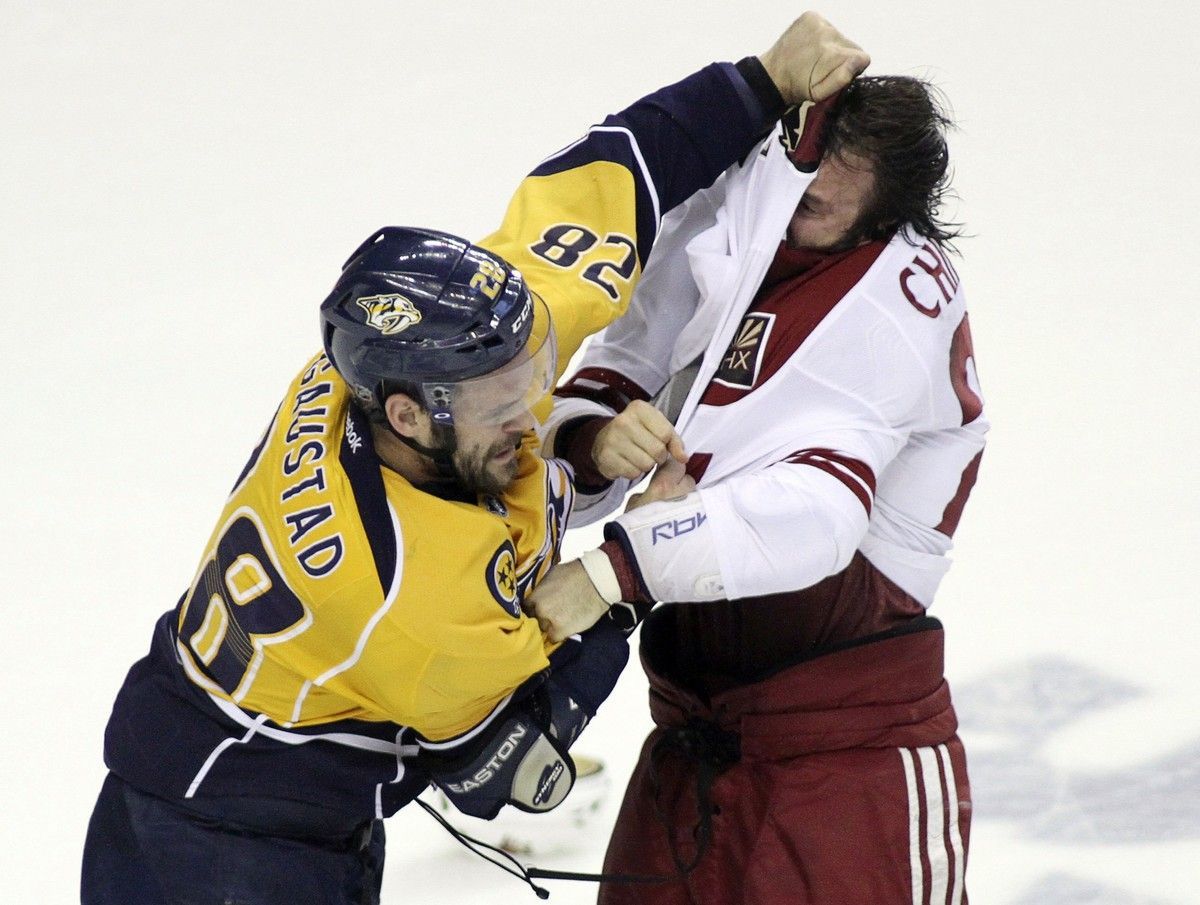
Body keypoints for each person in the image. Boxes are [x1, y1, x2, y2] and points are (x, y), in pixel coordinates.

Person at [79, 12, 870, 905]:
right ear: (410, 413)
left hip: (255, 769)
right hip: (226, 853)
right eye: (505, 397)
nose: (532, 405)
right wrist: (630, 572)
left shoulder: (435, 351)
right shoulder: (403, 598)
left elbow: (615, 174)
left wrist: (762, 79)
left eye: (532, 370)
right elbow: (506, 767)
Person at [529, 75, 985, 904]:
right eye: (804, 170)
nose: (804, 195)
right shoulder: (751, 209)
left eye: (832, 190)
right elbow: (621, 363)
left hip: (846, 762)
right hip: (694, 728)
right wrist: (598, 439)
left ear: (883, 213)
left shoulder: (890, 311)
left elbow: (818, 518)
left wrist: (611, 574)